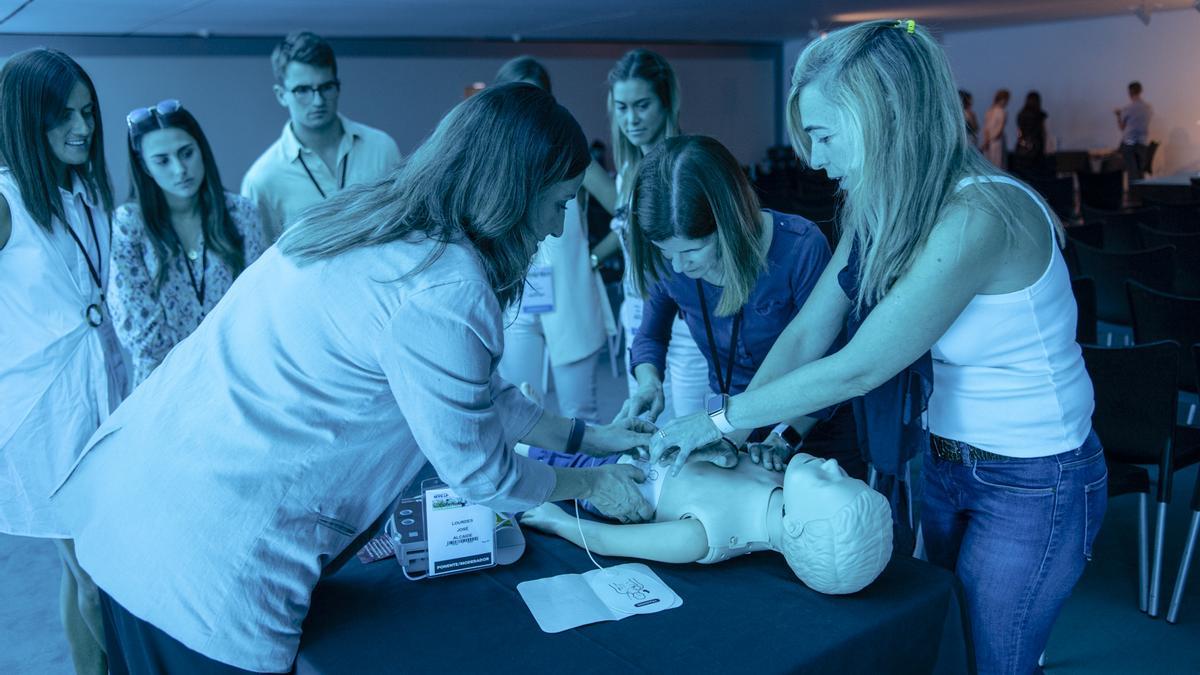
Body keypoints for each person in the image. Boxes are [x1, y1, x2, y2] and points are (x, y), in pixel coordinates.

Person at [51, 84, 657, 674]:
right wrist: (593, 486)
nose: (556, 230)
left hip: (130, 505)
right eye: (558, 204)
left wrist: (584, 438)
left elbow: (472, 393)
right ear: (513, 193)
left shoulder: (368, 220)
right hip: (207, 558)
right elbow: (481, 474)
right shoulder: (447, 284)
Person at [649, 20, 1105, 675]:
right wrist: (742, 434)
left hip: (1036, 477)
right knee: (945, 642)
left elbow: (859, 366)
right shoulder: (888, 210)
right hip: (948, 462)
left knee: (992, 661)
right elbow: (809, 332)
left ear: (884, 115)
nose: (821, 161)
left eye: (827, 136)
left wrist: (720, 419)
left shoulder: (981, 215)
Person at [619, 135, 864, 478]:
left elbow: (827, 361)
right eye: (665, 252)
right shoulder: (673, 262)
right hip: (728, 426)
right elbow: (650, 336)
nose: (677, 267)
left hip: (811, 423)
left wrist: (785, 435)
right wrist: (649, 383)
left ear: (728, 224)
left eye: (691, 252)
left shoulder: (799, 246)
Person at [0, 48, 127, 675]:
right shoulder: (5, 200)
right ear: (26, 120)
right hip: (44, 416)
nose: (83, 128)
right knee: (97, 577)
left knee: (81, 571)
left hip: (99, 392)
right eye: (64, 117)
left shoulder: (80, 193)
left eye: (87, 113)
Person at [520, 450, 892, 595]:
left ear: (795, 526)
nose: (831, 464)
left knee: (541, 461)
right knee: (572, 437)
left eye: (829, 481)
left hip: (615, 483)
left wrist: (557, 520)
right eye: (843, 473)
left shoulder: (704, 536)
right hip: (645, 446)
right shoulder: (783, 477)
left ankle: (522, 445)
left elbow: (604, 541)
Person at [110, 100, 268, 385]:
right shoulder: (129, 224)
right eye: (162, 160)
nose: (180, 169)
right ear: (144, 166)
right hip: (163, 384)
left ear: (201, 151)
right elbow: (139, 331)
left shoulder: (241, 214)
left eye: (186, 153)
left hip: (236, 377)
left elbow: (257, 305)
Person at [589, 48, 709, 421]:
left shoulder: (683, 164)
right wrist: (592, 258)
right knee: (644, 422)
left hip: (683, 319)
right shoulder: (626, 170)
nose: (631, 119)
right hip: (638, 315)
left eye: (642, 105)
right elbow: (625, 231)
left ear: (666, 102)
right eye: (622, 108)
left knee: (690, 429)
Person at [492, 56, 612, 420]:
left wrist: (594, 258)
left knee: (580, 411)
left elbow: (627, 213)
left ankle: (591, 476)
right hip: (516, 299)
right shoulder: (496, 165)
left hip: (569, 296)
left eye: (536, 96)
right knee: (522, 409)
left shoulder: (573, 156)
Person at [241, 31, 402, 241]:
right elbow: (259, 266)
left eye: (326, 87)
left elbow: (403, 229)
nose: (318, 101)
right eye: (303, 90)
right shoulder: (262, 180)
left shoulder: (381, 148)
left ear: (338, 87)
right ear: (281, 95)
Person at [1115, 81, 1153, 181]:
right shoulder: (1148, 108)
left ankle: (1133, 195)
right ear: (1140, 91)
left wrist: (1118, 115)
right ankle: (1141, 195)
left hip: (1129, 143)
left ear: (1130, 92)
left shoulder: (1128, 108)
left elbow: (1122, 127)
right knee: (1140, 172)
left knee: (1132, 173)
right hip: (1143, 142)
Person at [1014, 91, 1050, 177]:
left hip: (1022, 147)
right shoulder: (1040, 115)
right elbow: (1044, 132)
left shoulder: (1021, 114)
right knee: (1036, 176)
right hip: (1037, 147)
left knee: (1023, 176)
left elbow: (1019, 132)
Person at [981, 88, 1009, 168]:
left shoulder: (989, 111)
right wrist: (989, 140)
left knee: (988, 165)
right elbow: (1000, 130)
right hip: (996, 142)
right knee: (997, 165)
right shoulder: (1002, 112)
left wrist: (986, 141)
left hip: (988, 141)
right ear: (1003, 99)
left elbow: (986, 128)